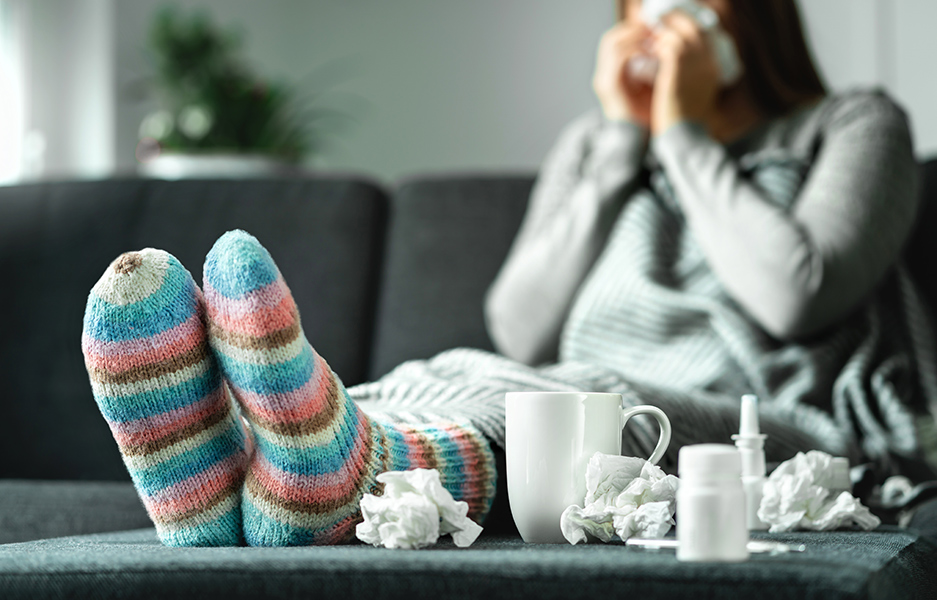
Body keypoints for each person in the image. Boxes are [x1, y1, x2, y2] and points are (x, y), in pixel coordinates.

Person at [81, 0, 935, 548]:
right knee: (441, 370)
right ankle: (237, 487)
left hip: (768, 427)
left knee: (573, 400)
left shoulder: (854, 124)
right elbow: (517, 326)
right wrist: (616, 152)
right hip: (564, 381)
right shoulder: (595, 149)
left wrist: (681, 135)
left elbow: (793, 296)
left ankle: (345, 475)